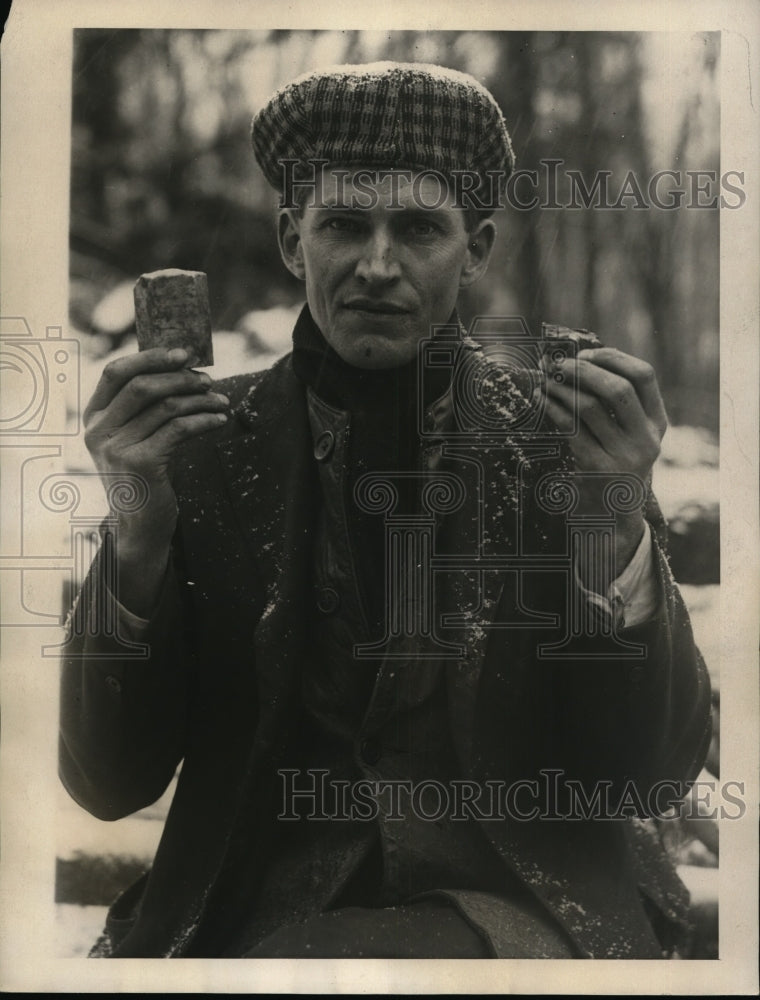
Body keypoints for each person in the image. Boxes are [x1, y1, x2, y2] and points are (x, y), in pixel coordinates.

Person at [59, 62, 712, 959]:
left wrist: (614, 524)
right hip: (257, 915)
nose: (377, 265)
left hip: (520, 907)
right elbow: (105, 784)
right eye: (342, 225)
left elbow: (650, 776)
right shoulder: (196, 449)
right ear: (292, 240)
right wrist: (137, 533)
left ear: (475, 250)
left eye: (418, 229)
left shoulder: (567, 447)